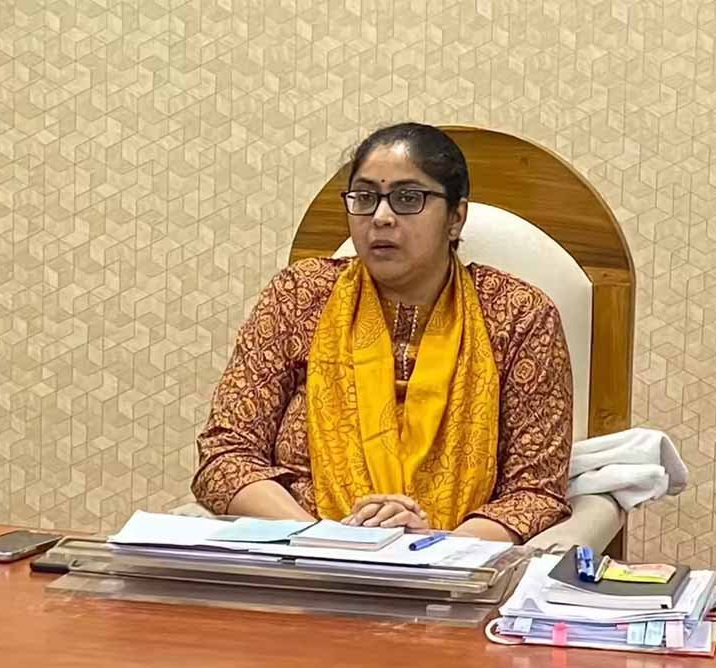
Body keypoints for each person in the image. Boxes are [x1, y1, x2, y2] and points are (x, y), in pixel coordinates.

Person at [191, 122, 573, 543]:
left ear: (455, 218)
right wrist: (323, 537)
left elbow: (534, 490)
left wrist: (430, 547)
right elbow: (225, 455)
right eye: (365, 197)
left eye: (408, 198)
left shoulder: (518, 316)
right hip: (305, 552)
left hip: (450, 561)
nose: (381, 217)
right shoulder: (300, 296)